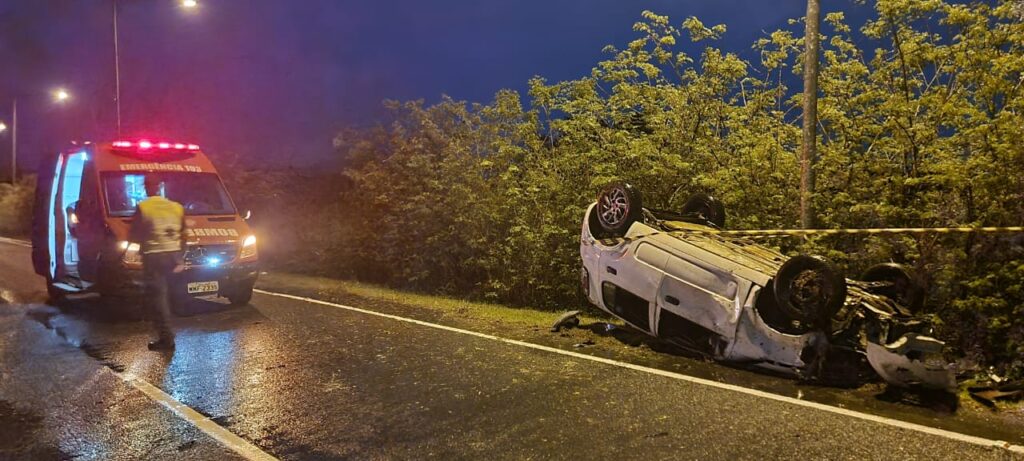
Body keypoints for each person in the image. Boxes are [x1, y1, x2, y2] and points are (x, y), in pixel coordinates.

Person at [128, 175, 187, 350]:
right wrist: (180, 257)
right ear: (160, 187)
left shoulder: (144, 207)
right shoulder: (176, 207)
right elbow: (184, 234)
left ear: (146, 188)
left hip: (154, 257)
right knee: (171, 294)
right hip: (174, 256)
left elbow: (134, 235)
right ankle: (170, 329)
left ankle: (167, 339)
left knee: (158, 298)